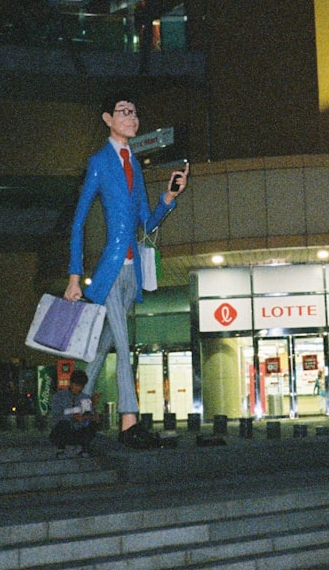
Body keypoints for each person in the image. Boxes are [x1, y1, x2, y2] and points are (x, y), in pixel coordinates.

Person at [64, 94, 188, 449]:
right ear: (108, 118)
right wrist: (74, 276)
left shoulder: (134, 162)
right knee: (122, 342)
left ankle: (76, 414)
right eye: (124, 112)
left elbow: (147, 223)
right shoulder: (99, 162)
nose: (132, 117)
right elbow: (78, 221)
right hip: (112, 269)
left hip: (133, 270)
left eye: (134, 112)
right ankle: (129, 422)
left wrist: (168, 197)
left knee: (103, 344)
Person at [49, 369, 99, 457]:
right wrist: (73, 417)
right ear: (71, 383)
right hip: (64, 429)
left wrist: (93, 405)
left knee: (91, 425)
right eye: (76, 385)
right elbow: (56, 415)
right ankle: (63, 448)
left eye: (81, 386)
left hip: (79, 429)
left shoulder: (85, 398)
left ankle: (83, 447)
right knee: (63, 424)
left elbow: (92, 417)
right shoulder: (59, 396)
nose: (78, 389)